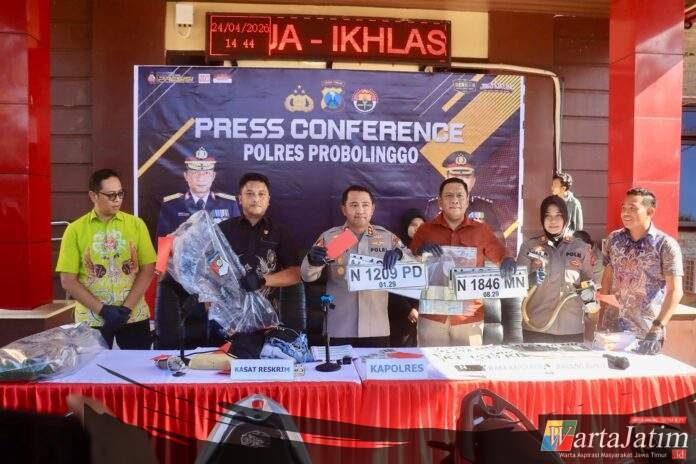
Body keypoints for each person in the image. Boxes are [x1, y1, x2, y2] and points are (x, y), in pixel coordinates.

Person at [56, 169, 156, 349]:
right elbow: (68, 280)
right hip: (92, 318)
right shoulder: (75, 230)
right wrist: (102, 310)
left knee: (137, 365)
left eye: (120, 193)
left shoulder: (136, 225)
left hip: (133, 314)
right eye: (111, 195)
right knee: (92, 367)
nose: (117, 199)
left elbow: (148, 268)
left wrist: (126, 308)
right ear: (93, 196)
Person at [410, 178, 516, 346]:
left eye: (460, 195)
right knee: (432, 363)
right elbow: (409, 261)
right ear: (440, 202)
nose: (455, 200)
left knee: (468, 363)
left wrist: (507, 260)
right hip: (433, 317)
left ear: (467, 201)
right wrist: (419, 251)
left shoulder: (481, 230)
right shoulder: (425, 230)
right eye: (449, 195)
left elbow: (501, 254)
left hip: (469, 317)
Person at [301, 185, 409, 347]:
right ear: (344, 209)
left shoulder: (386, 238)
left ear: (372, 209)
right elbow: (307, 276)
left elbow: (415, 265)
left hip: (376, 328)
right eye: (353, 205)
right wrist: (312, 260)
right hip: (339, 328)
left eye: (365, 205)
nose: (360, 210)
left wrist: (400, 255)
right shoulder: (332, 238)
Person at [600, 187, 684, 355]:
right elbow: (607, 280)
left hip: (645, 334)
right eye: (623, 208)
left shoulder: (665, 245)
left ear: (650, 211)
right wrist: (600, 320)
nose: (625, 213)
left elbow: (675, 291)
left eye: (633, 208)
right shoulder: (613, 239)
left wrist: (657, 328)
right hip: (611, 332)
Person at [516, 196, 597, 343]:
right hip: (536, 328)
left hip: (571, 329)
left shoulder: (581, 248)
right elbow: (516, 285)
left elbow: (589, 281)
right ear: (542, 219)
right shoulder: (529, 247)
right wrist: (529, 280)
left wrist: (589, 296)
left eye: (558, 215)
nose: (553, 221)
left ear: (565, 218)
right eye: (548, 216)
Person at [218, 172, 302, 310]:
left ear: (268, 199)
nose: (256, 199)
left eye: (261, 194)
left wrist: (262, 280)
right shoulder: (222, 230)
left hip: (266, 315)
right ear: (240, 199)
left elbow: (295, 274)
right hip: (227, 313)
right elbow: (210, 266)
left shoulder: (280, 232)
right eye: (250, 194)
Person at [156, 147, 240, 237]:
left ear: (213, 176)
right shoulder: (171, 205)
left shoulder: (229, 204)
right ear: (186, 176)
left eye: (206, 173)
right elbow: (162, 241)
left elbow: (238, 238)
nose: (201, 178)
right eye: (195, 173)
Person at [424, 151, 503, 241]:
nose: (460, 180)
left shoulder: (484, 207)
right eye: (455, 175)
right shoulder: (433, 206)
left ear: (473, 181)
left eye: (466, 176)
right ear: (446, 178)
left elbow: (499, 242)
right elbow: (423, 239)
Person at [387, 209, 424, 347]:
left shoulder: (431, 252)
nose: (418, 228)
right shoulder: (395, 251)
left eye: (422, 225)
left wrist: (418, 308)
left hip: (424, 315)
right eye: (413, 224)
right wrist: (408, 310)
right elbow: (390, 285)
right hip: (401, 314)